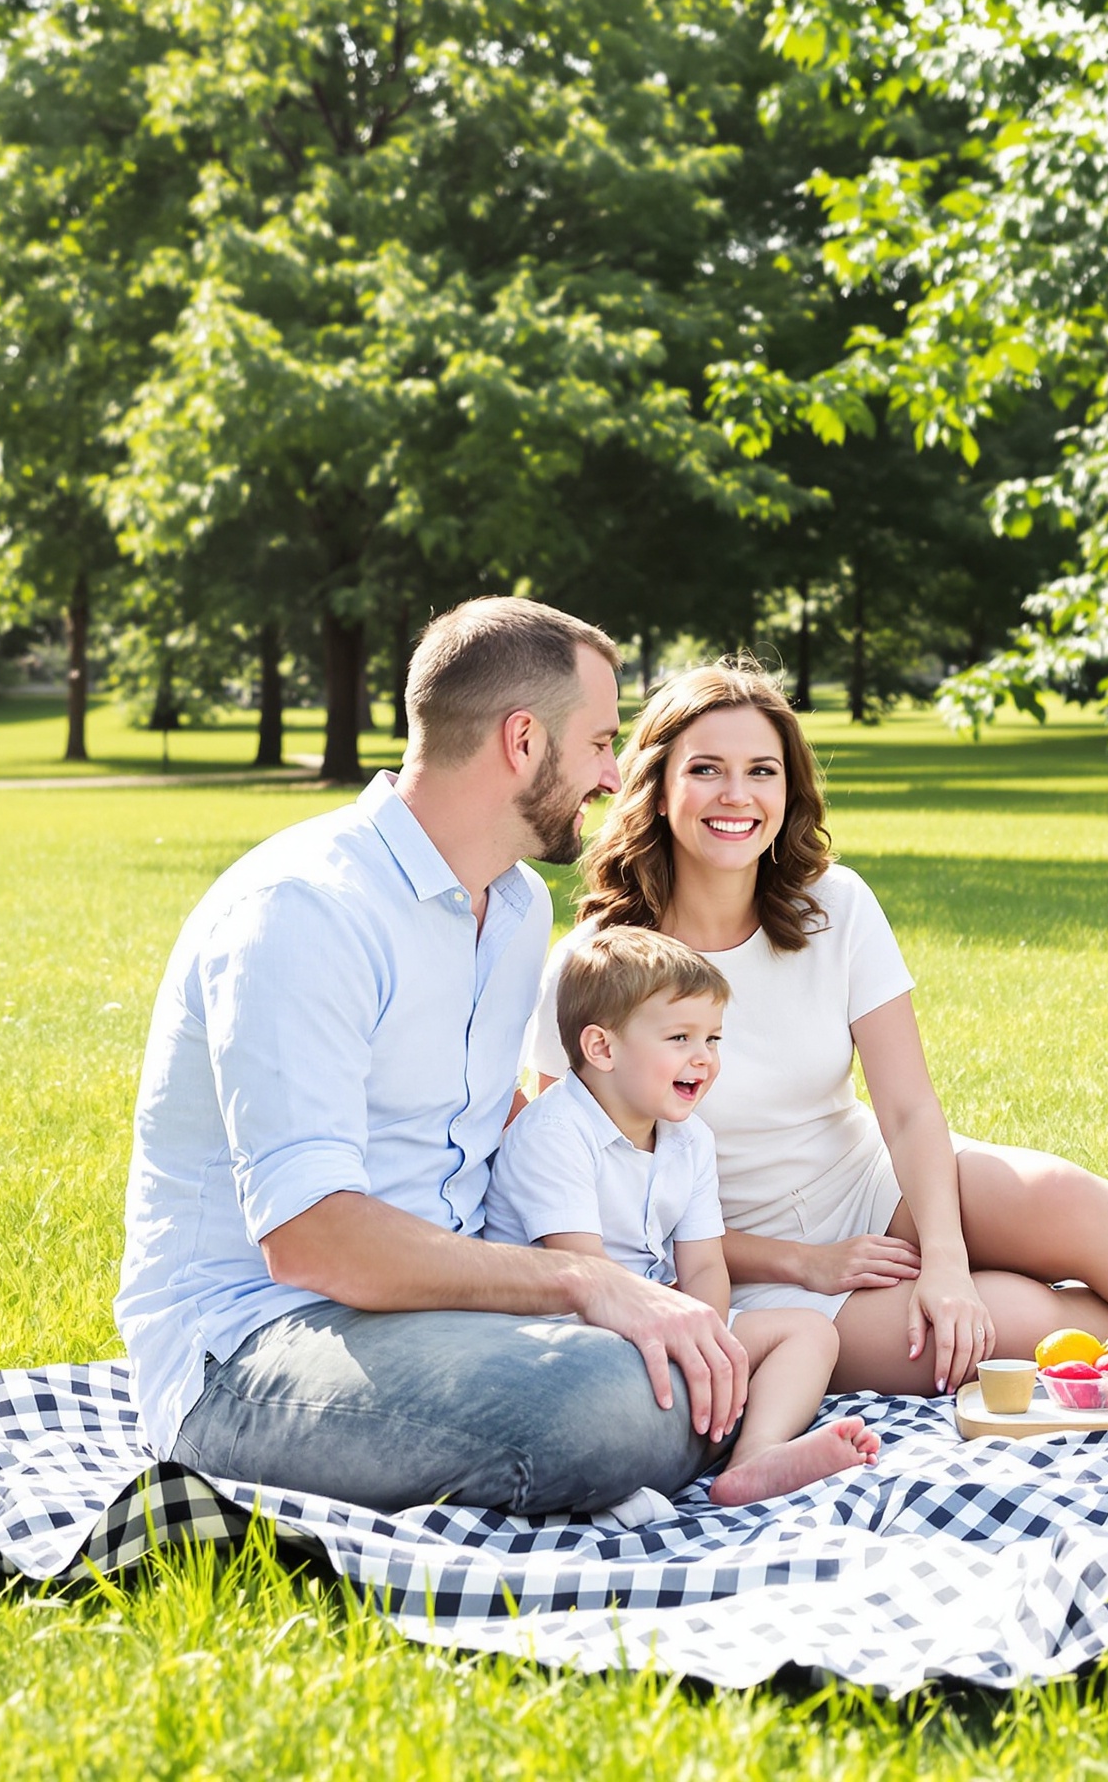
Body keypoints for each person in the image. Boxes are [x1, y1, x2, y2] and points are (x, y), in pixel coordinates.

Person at [519, 662, 1108, 1398]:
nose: (738, 795)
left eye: (762, 769)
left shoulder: (832, 905)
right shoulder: (596, 968)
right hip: (744, 1267)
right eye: (706, 769)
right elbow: (587, 1184)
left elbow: (909, 1107)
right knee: (1020, 1324)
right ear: (659, 785)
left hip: (875, 1187)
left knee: (1060, 1200)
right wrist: (812, 1263)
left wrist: (946, 1259)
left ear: (789, 787)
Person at [115, 598, 750, 1516]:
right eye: (602, 743)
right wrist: (583, 1282)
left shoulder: (520, 907)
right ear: (523, 741)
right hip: (254, 1348)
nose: (615, 777)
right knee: (613, 1401)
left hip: (440, 1316)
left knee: (694, 1351)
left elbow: (495, 1124)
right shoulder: (304, 910)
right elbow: (313, 1240)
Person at [485, 927, 881, 1505]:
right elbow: (582, 1276)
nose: (704, 1058)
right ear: (602, 1048)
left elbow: (704, 1269)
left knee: (810, 1331)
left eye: (713, 1038)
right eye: (680, 1037)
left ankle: (756, 1457)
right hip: (567, 1332)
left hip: (658, 1315)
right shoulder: (555, 1134)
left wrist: (708, 1345)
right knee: (611, 1390)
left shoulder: (688, 1140)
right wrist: (677, 1333)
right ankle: (705, 1429)